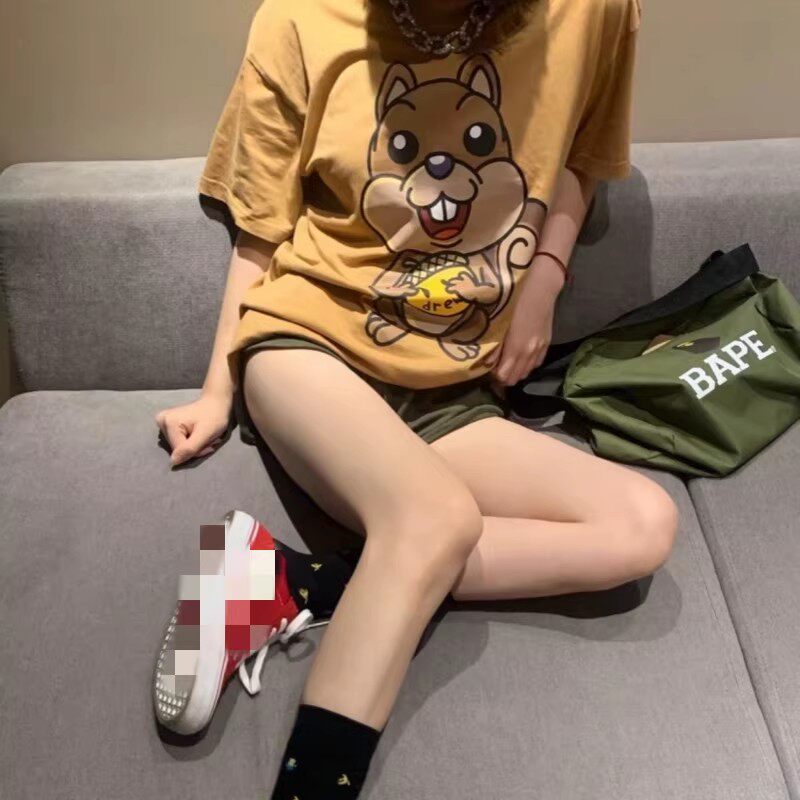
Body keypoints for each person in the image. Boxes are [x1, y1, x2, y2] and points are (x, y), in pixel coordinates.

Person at [153, 1, 676, 798]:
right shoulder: (300, 18)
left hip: (449, 392)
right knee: (434, 518)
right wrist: (217, 391)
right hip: (309, 346)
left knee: (641, 526)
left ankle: (287, 579)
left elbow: (581, 151)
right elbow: (260, 228)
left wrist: (544, 280)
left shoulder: (593, 10)